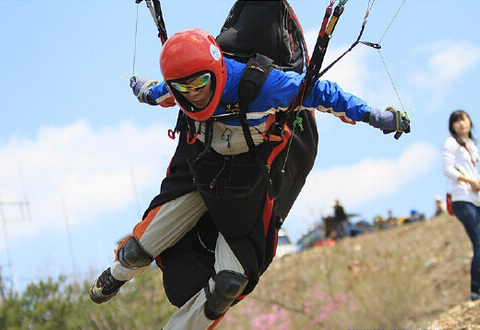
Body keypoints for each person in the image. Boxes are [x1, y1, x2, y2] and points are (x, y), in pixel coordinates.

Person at [89, 28, 410, 329]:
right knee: (135, 251)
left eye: (200, 84)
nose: (195, 95)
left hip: (246, 183)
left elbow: (323, 94)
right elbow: (158, 92)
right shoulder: (180, 88)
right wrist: (140, 88)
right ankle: (117, 274)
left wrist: (373, 115)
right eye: (183, 89)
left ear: (216, 72)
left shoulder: (262, 85)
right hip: (202, 172)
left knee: (228, 284)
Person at [443, 110, 480, 301]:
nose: (461, 124)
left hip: (475, 198)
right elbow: (447, 170)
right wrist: (470, 181)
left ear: (470, 122)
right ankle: (476, 290)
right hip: (461, 197)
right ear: (452, 126)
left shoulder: (472, 145)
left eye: (463, 119)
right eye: (456, 121)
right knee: (478, 241)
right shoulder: (451, 143)